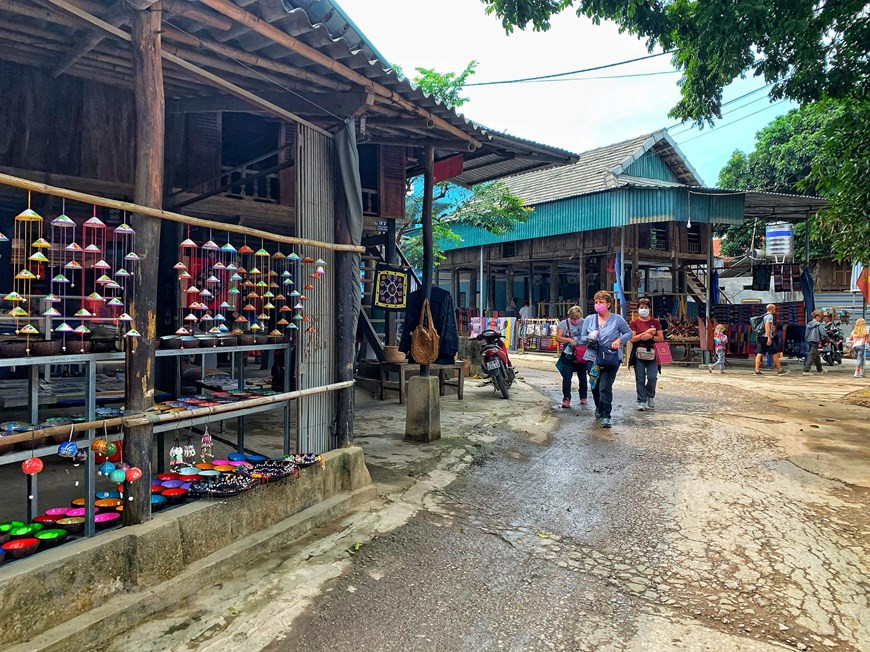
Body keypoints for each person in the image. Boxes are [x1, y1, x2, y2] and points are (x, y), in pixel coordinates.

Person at [580, 290, 632, 428]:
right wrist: (590, 338)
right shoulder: (589, 319)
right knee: (595, 386)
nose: (598, 304)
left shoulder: (617, 319)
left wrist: (619, 340)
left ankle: (606, 415)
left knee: (605, 387)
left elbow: (628, 333)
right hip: (592, 357)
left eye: (601, 302)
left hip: (610, 356)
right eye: (596, 302)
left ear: (608, 304)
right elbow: (582, 337)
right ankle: (599, 406)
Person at [628, 297, 663, 410]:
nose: (643, 309)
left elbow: (661, 338)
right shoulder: (634, 322)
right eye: (641, 307)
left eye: (646, 307)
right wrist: (645, 334)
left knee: (652, 377)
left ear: (650, 309)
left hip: (653, 353)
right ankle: (641, 400)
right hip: (639, 354)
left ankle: (650, 395)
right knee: (640, 378)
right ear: (638, 309)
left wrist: (651, 337)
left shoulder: (655, 322)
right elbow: (632, 339)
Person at [555, 305, 588, 408]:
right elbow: (558, 338)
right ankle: (566, 398)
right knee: (567, 377)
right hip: (568, 355)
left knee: (583, 377)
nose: (575, 321)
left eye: (577, 318)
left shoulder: (585, 322)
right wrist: (568, 340)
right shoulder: (563, 323)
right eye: (573, 318)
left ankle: (583, 396)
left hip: (581, 354)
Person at [754, 304, 788, 376]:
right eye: (774, 309)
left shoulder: (764, 316)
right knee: (774, 353)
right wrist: (769, 337)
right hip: (766, 337)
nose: (775, 310)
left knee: (759, 353)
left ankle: (757, 370)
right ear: (771, 309)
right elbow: (767, 326)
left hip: (761, 337)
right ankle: (779, 370)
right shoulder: (770, 316)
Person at [802, 310, 828, 375]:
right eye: (820, 317)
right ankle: (806, 370)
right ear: (817, 317)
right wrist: (828, 340)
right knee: (812, 355)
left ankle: (820, 369)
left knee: (816, 356)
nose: (821, 318)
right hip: (815, 341)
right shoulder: (818, 325)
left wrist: (807, 339)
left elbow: (806, 334)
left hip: (809, 341)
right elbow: (823, 334)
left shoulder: (809, 324)